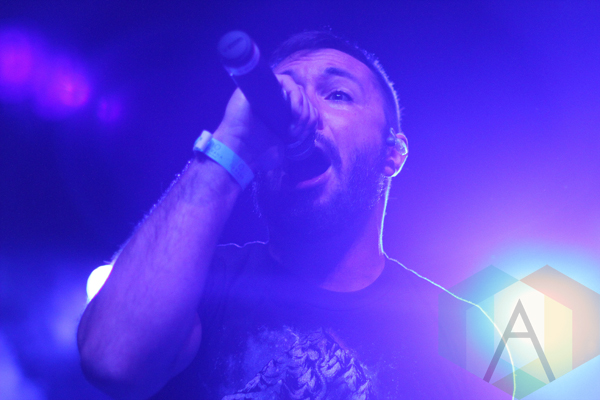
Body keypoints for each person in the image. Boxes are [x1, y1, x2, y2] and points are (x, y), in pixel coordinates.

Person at [78, 31, 509, 400]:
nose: (301, 114)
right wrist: (230, 143)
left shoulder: (465, 331)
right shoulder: (200, 282)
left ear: (392, 153)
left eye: (337, 95)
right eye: (285, 97)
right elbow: (112, 359)